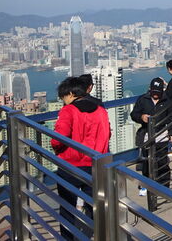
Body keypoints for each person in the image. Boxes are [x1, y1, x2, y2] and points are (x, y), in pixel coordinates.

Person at [51, 77, 111, 241]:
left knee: (67, 206)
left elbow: (58, 139)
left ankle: (68, 238)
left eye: (63, 97)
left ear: (71, 94)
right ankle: (94, 234)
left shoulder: (68, 111)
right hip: (95, 164)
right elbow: (107, 134)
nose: (63, 100)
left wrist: (57, 149)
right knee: (94, 205)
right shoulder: (100, 110)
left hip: (70, 166)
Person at [131, 78, 172, 196]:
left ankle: (164, 187)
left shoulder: (167, 100)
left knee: (162, 162)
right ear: (150, 89)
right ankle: (146, 185)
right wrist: (141, 117)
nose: (155, 94)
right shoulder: (143, 99)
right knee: (146, 162)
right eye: (153, 91)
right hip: (146, 136)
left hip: (162, 136)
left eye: (158, 92)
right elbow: (133, 114)